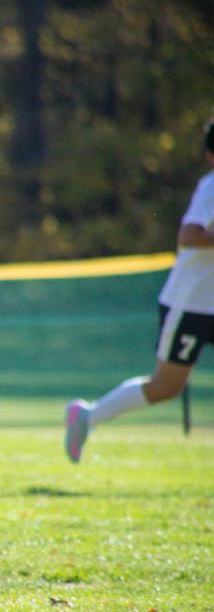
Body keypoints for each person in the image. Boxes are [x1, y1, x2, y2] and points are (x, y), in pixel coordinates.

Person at [65, 114, 214, 462]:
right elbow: (188, 235)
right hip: (190, 304)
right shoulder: (211, 186)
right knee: (165, 387)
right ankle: (88, 416)